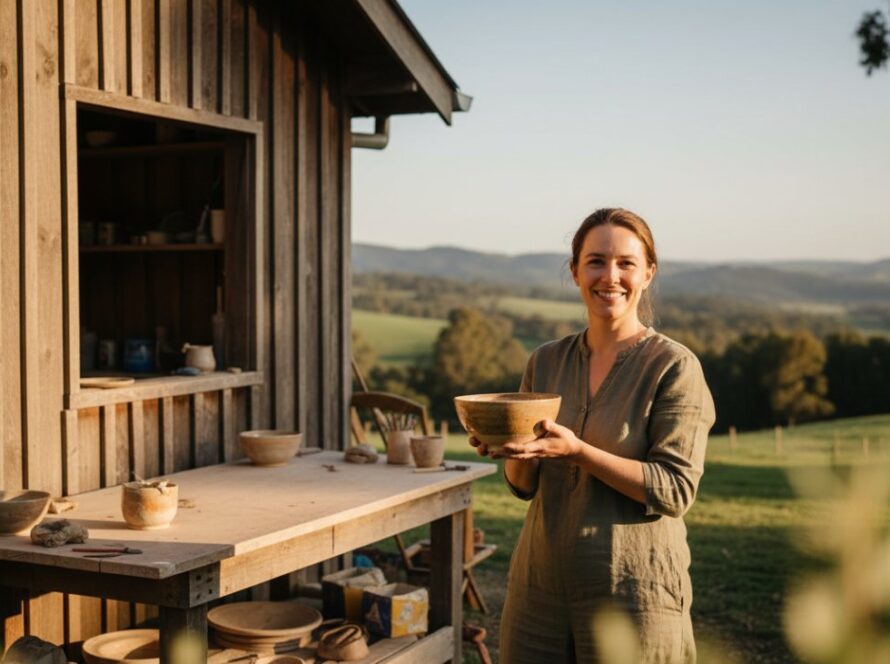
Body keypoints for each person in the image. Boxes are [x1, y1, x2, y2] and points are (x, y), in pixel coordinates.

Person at [470, 208, 715, 663]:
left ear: (648, 273)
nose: (611, 276)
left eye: (626, 263)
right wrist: (513, 449)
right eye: (596, 261)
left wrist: (579, 452)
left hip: (633, 593)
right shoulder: (545, 361)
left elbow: (675, 490)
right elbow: (523, 486)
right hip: (539, 590)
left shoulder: (673, 367)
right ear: (576, 271)